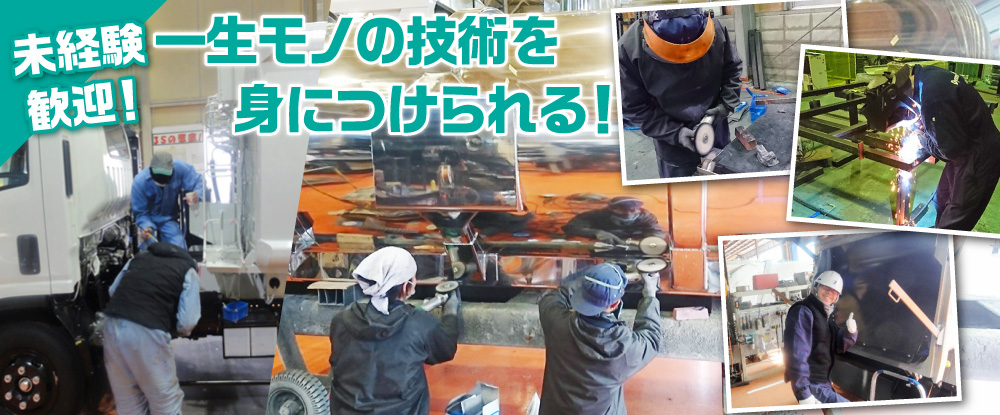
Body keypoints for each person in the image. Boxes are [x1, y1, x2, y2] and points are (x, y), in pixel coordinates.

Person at [863, 64, 1000, 231]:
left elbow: (948, 150)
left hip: (980, 155)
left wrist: (922, 141)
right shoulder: (924, 77)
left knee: (955, 218)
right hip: (964, 146)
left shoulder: (934, 100)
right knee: (941, 199)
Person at [328, 247, 461, 414]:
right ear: (406, 286)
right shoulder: (419, 325)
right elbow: (446, 349)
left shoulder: (341, 320)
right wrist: (451, 311)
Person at [618, 8, 743, 178]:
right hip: (672, 145)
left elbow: (732, 69)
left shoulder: (716, 29)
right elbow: (633, 106)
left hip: (716, 129)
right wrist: (674, 133)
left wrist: (726, 104)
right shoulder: (629, 47)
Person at [538, 263, 663, 414]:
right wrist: (650, 295)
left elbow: (552, 298)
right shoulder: (622, 347)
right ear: (615, 304)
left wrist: (591, 281)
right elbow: (651, 338)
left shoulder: (557, 324)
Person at [101, 241, 201, 415]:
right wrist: (171, 328)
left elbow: (113, 291)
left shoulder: (138, 258)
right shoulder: (188, 269)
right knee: (165, 402)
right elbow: (187, 323)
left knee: (128, 403)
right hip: (147, 330)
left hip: (112, 326)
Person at [783, 271, 858, 404]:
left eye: (834, 291)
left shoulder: (826, 315)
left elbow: (838, 346)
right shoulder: (803, 311)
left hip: (823, 382)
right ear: (816, 287)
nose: (829, 293)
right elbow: (797, 354)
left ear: (837, 296)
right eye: (826, 288)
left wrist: (852, 332)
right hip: (811, 384)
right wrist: (803, 393)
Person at [132, 152, 204, 250]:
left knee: (179, 247)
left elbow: (199, 181)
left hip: (168, 219)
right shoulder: (139, 182)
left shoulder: (180, 168)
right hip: (148, 219)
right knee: (150, 249)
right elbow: (140, 212)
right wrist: (146, 226)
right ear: (151, 170)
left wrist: (198, 193)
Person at [563, 196, 666, 244]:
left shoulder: (646, 217)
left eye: (632, 210)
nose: (628, 214)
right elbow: (571, 227)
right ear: (612, 209)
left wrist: (646, 242)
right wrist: (597, 233)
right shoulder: (597, 215)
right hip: (602, 247)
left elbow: (656, 234)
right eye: (623, 210)